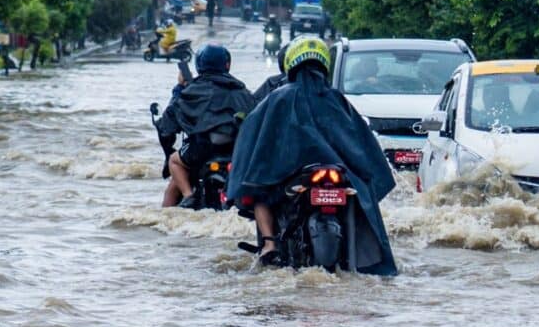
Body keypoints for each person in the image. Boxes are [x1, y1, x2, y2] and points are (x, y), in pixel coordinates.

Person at [226, 36, 396, 273]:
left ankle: (269, 244)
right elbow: (362, 145)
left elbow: (252, 138)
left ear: (291, 63)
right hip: (339, 172)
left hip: (290, 176)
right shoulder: (336, 99)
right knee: (361, 194)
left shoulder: (277, 97)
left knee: (259, 192)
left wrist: (253, 170)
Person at [158, 44, 255, 208]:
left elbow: (168, 123)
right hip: (237, 154)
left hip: (201, 151)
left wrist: (179, 88)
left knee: (174, 163)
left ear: (198, 65)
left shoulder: (190, 90)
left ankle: (189, 196)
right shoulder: (242, 91)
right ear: (227, 64)